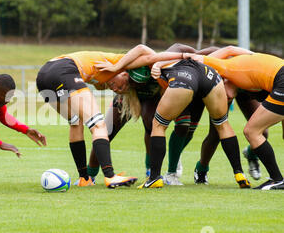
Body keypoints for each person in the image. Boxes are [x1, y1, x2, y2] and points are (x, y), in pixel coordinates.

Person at [98, 46, 253, 189]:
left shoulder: (150, 63)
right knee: (223, 125)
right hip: (209, 74)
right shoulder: (185, 56)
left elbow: (140, 49)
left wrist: (116, 66)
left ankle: (154, 177)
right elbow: (223, 50)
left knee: (158, 125)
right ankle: (239, 173)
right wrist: (252, 55)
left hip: (183, 78)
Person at [36, 45, 184, 188]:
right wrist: (184, 56)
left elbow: (100, 83)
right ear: (124, 73)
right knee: (98, 125)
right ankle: (110, 176)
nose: (115, 89)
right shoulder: (122, 64)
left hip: (44, 76)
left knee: (75, 123)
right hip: (65, 70)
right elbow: (144, 51)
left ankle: (84, 179)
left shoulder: (103, 79)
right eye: (116, 85)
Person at [84, 43, 218, 186]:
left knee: (166, 126)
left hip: (153, 96)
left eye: (114, 84)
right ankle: (89, 176)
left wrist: (216, 55)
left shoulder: (151, 62)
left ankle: (161, 171)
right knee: (106, 133)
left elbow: (142, 48)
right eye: (111, 86)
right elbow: (99, 81)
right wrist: (114, 69)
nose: (115, 88)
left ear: (124, 73)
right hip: (128, 98)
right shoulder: (120, 80)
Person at [185, 50, 284, 190]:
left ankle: (277, 179)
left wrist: (160, 63)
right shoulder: (240, 77)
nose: (222, 96)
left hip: (280, 80)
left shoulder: (227, 68)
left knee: (252, 131)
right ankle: (202, 169)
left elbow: (195, 58)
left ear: (224, 80)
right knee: (224, 133)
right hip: (277, 79)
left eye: (220, 89)